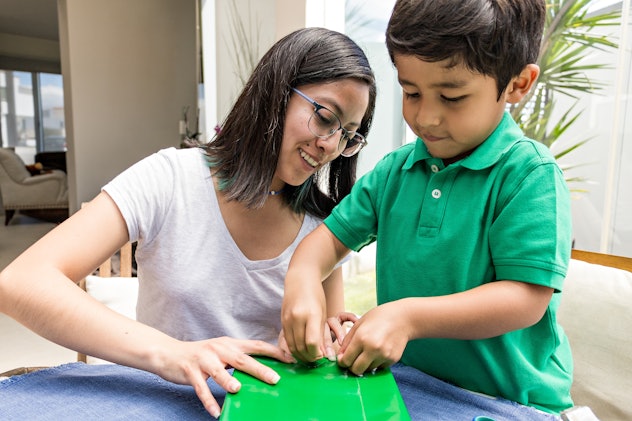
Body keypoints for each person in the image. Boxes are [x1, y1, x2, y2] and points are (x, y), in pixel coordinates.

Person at [0, 27, 376, 419]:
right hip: (156, 405)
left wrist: (323, 343)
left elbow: (322, 357)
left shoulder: (324, 228)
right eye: (326, 118)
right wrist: (174, 354)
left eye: (348, 135)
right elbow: (21, 283)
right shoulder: (170, 179)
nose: (331, 145)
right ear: (276, 93)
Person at [281, 0, 574, 417]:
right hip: (410, 387)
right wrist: (302, 278)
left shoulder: (529, 175)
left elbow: (526, 298)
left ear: (517, 84)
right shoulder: (396, 172)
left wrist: (408, 317)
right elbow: (324, 244)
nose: (426, 117)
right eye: (411, 92)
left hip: (509, 403)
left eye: (452, 97)